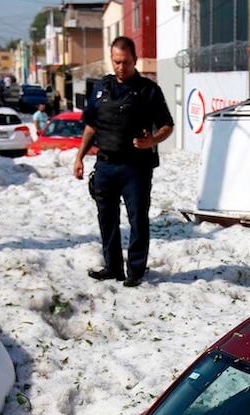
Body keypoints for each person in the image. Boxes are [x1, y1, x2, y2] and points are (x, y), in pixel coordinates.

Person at [74, 36, 173, 287]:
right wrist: (79, 157)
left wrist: (152, 141)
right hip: (105, 165)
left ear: (135, 60)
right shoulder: (100, 88)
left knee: (137, 219)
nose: (120, 67)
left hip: (135, 168)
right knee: (106, 219)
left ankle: (136, 270)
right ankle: (113, 267)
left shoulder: (149, 90)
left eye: (125, 62)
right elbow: (90, 127)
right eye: (116, 62)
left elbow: (167, 125)